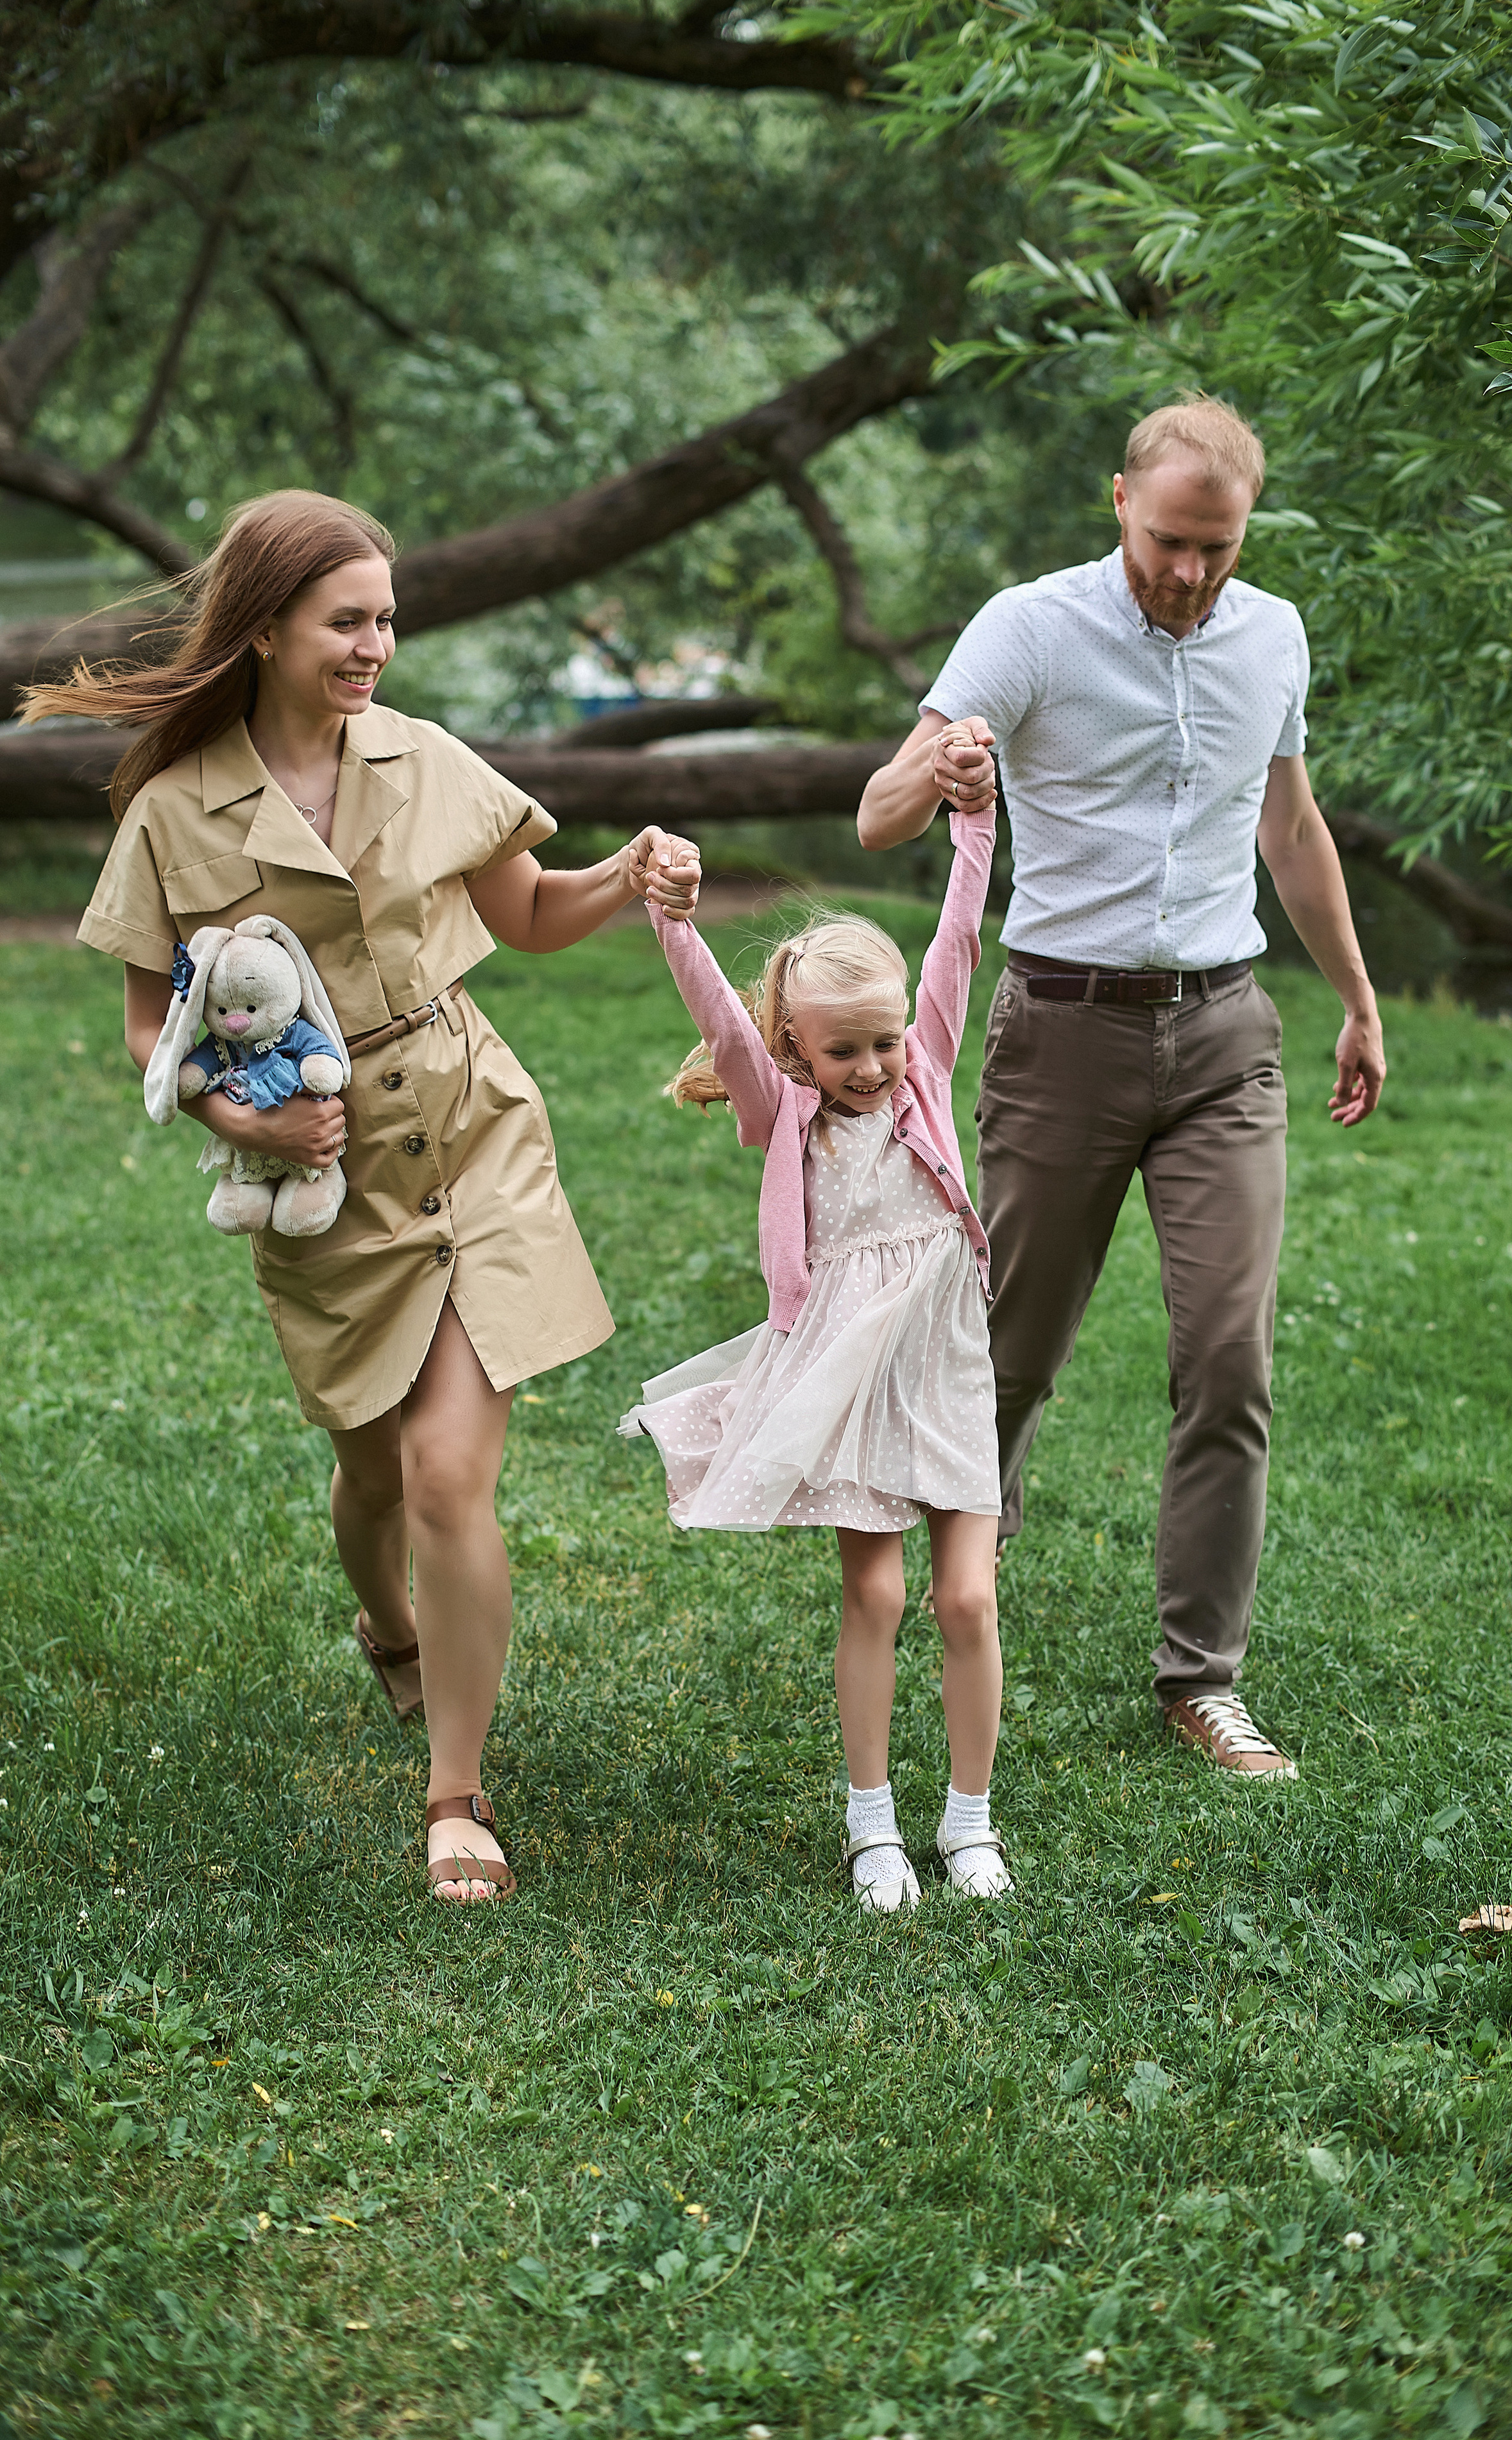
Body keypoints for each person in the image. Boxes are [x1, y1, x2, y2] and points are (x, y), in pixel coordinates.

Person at [26, 489, 700, 1900]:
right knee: (372, 1468)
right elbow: (152, 1026)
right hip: (320, 1173)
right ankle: (385, 1622)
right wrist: (239, 1119)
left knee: (453, 1473)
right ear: (267, 627)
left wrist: (628, 876)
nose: (376, 645)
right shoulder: (172, 809)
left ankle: (455, 1792)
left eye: (387, 619)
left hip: (471, 1123)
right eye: (349, 621)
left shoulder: (426, 760)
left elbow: (524, 916)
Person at [858, 397, 1386, 1779]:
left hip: (1223, 1034)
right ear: (1117, 505)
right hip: (1062, 1031)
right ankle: (958, 1590)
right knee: (1012, 1354)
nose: (1189, 573)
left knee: (1227, 1357)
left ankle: (1200, 1676)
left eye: (1214, 547)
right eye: (1166, 541)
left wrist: (1355, 995)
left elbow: (1287, 821)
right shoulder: (1028, 627)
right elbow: (878, 813)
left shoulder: (1270, 634)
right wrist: (944, 764)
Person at [622, 805, 1008, 1910]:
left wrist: (975, 821)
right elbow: (714, 1013)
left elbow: (959, 938)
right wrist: (673, 919)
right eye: (845, 1049)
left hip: (944, 1368)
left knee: (969, 1601)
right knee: (877, 1595)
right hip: (848, 1379)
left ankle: (970, 1821)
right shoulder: (782, 1110)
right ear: (795, 1047)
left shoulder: (923, 1070)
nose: (876, 1066)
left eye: (885, 1042)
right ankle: (873, 1823)